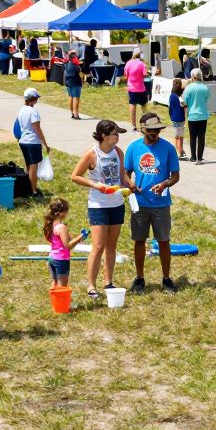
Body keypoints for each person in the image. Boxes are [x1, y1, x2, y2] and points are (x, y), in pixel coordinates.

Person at [70, 119, 133, 299]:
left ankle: (108, 281)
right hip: (98, 206)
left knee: (111, 247)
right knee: (98, 246)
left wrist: (129, 186)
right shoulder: (92, 154)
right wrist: (95, 185)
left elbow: (122, 177)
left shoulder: (118, 152)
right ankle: (91, 285)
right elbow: (75, 176)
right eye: (115, 134)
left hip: (116, 204)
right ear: (104, 136)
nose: (118, 137)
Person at [125, 113, 181, 294]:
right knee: (139, 240)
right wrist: (130, 183)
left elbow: (175, 176)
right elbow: (125, 173)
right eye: (151, 130)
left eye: (158, 130)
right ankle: (140, 278)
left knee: (164, 240)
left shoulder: (168, 148)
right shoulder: (133, 148)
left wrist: (164, 183)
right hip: (140, 203)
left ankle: (166, 278)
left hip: (161, 203)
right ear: (143, 130)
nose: (155, 133)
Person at [43, 197, 86, 289]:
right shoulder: (62, 227)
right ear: (62, 213)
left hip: (51, 258)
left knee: (54, 282)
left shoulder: (50, 225)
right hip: (61, 259)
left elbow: (67, 240)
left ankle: (53, 301)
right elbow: (68, 246)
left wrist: (79, 238)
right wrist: (80, 237)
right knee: (62, 286)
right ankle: (60, 302)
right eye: (67, 211)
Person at [16, 88, 50, 196]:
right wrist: (45, 143)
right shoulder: (33, 111)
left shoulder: (21, 110)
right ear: (33, 99)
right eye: (36, 99)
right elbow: (37, 129)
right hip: (32, 142)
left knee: (28, 165)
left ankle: (29, 188)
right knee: (33, 167)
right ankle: (33, 191)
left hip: (23, 141)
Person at [183, 68, 210, 163]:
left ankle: (193, 156)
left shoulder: (188, 88)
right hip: (203, 115)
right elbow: (207, 99)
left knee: (193, 137)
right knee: (201, 137)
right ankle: (200, 157)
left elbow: (184, 101)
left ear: (192, 76)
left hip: (192, 115)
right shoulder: (205, 87)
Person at [124, 49, 149, 130]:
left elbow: (126, 75)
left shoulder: (128, 63)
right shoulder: (142, 64)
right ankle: (145, 124)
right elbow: (145, 74)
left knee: (132, 104)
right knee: (144, 105)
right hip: (141, 88)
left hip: (131, 88)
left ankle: (133, 125)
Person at [168, 78, 187, 159]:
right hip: (182, 117)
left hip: (175, 117)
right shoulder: (182, 95)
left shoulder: (172, 96)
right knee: (181, 134)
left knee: (176, 135)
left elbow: (170, 108)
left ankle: (177, 150)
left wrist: (170, 115)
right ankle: (181, 149)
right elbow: (185, 106)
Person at [64, 47, 83, 120]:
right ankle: (76, 114)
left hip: (68, 81)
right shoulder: (75, 63)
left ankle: (72, 113)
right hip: (75, 81)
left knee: (70, 96)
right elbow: (79, 72)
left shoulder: (66, 62)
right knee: (76, 97)